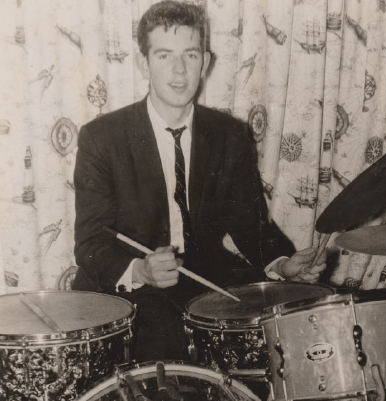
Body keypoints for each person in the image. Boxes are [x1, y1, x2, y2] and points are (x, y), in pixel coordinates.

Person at [72, 0, 326, 363]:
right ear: (144, 63)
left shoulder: (230, 135)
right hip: (129, 295)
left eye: (190, 55)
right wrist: (140, 269)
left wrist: (283, 264)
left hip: (204, 283)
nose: (179, 71)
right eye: (164, 56)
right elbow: (90, 242)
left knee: (298, 327)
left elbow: (250, 225)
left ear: (205, 62)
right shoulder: (102, 138)